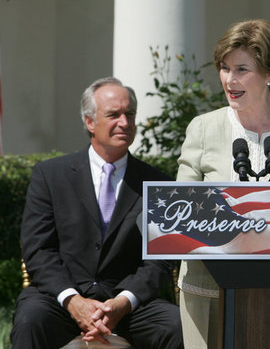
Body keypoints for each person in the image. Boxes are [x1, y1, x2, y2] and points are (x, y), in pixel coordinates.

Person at [177, 19, 270, 348]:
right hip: (205, 287)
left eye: (242, 69)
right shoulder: (203, 129)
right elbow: (180, 211)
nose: (230, 80)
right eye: (224, 67)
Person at [11, 77, 183, 349]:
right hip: (62, 300)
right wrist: (73, 301)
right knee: (31, 319)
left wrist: (123, 302)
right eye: (113, 115)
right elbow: (38, 250)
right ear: (90, 122)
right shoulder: (50, 176)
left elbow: (159, 261)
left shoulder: (156, 183)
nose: (125, 123)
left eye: (130, 114)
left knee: (175, 325)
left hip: (127, 304)